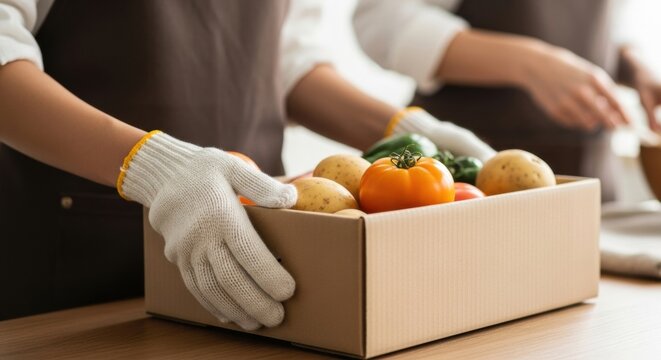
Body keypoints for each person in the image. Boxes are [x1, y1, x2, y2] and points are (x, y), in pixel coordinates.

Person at [0, 0, 495, 328]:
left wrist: (399, 130)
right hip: (76, 279)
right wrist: (153, 166)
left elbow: (288, 60)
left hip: (258, 258)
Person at [353, 0, 661, 197]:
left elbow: (610, 23)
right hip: (463, 178)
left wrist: (634, 65)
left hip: (591, 173)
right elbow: (381, 23)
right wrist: (530, 64)